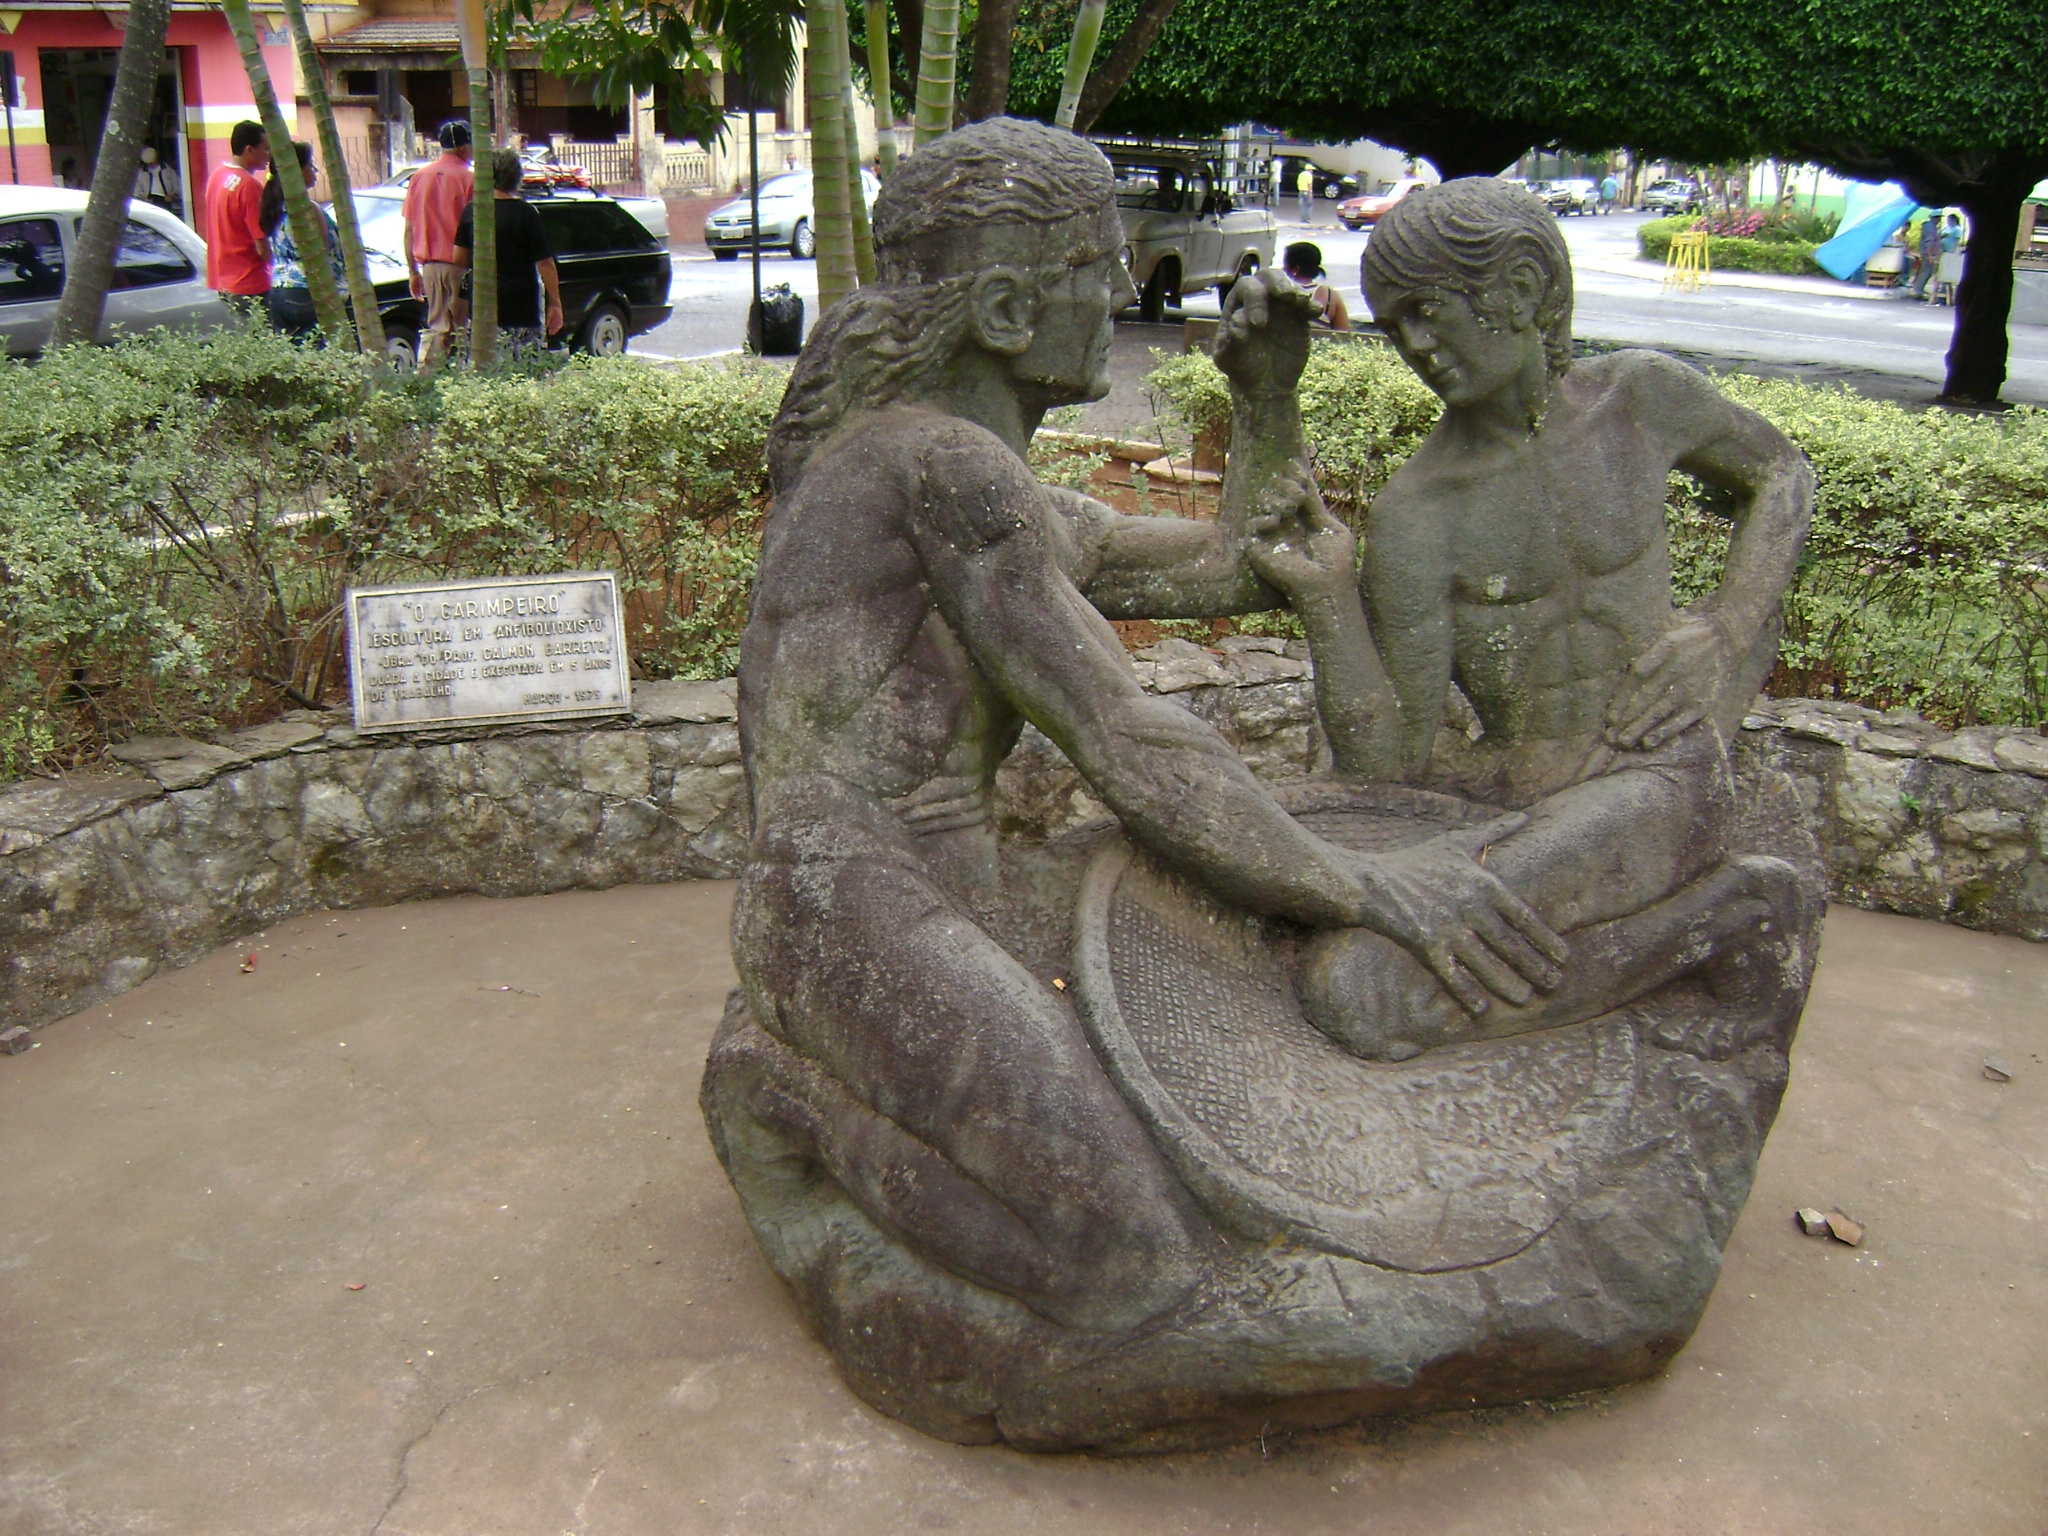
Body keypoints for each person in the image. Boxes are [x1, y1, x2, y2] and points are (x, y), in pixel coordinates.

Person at [709, 120, 1560, 1334]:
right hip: (838, 904)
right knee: (1126, 1262)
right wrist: (1360, 886)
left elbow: (1231, 564)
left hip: (938, 888)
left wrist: (1264, 400)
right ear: (1007, 311)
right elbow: (1123, 738)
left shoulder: (968, 479)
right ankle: (790, 1111)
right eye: (1093, 267)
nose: (1120, 292)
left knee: (1183, 1111)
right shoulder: (943, 471)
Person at [1248, 177, 1814, 1061]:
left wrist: (1728, 627)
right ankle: (1669, 931)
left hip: (1649, 774)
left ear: (1517, 288)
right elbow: (1384, 764)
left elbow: (1784, 474)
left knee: (1358, 995)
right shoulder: (1419, 513)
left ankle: (1730, 918)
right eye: (1395, 327)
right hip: (1496, 793)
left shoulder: (1639, 399)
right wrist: (1327, 595)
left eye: (1430, 312)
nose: (1416, 346)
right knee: (1271, 886)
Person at [454, 148, 565, 359]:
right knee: (524, 365)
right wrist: (555, 303)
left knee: (487, 365)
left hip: (483, 300)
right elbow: (545, 264)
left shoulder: (473, 211)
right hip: (522, 300)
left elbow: (458, 258)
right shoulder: (526, 213)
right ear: (517, 177)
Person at [403, 120, 475, 367]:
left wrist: (412, 271)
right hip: (460, 267)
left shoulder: (419, 177)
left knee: (437, 328)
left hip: (429, 267)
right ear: (465, 148)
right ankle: (455, 387)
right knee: (460, 332)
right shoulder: (470, 179)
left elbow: (409, 229)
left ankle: (428, 382)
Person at [262, 141, 339, 337]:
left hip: (278, 289)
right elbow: (322, 251)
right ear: (296, 170)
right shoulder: (308, 209)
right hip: (305, 291)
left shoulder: (274, 205)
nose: (314, 171)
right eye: (310, 165)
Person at [203, 121, 271, 315]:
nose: (269, 156)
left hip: (224, 280)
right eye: (265, 149)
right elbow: (261, 243)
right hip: (250, 282)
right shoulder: (249, 186)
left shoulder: (217, 176)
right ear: (249, 150)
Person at [1281, 240, 1349, 330]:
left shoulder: (1282, 292)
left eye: (1285, 265)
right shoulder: (1330, 295)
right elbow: (1343, 334)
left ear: (1296, 268)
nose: (1282, 268)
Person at [133, 146, 180, 211]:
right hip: (149, 201)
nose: (150, 165)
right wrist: (143, 198)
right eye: (148, 164)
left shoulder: (168, 171)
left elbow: (178, 186)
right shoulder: (141, 173)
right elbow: (136, 189)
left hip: (166, 201)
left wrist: (173, 196)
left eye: (152, 163)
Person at [1910, 210, 1943, 300]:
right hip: (1928, 253)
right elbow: (1929, 242)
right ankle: (1918, 291)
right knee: (1926, 272)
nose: (1939, 220)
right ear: (1935, 218)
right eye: (1938, 218)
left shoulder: (1930, 227)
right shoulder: (1930, 228)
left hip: (1927, 252)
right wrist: (1930, 256)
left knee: (1927, 271)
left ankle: (1919, 289)